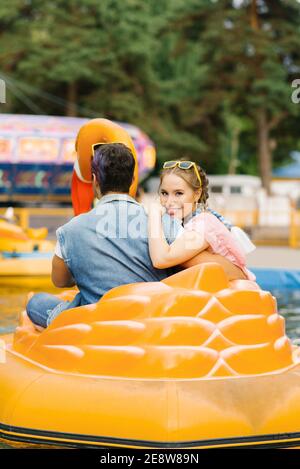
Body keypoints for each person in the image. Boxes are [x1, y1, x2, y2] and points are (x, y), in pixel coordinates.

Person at [26, 143, 181, 329]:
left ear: (95, 180)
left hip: (95, 322)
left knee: (36, 302)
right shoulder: (164, 222)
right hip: (152, 318)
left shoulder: (71, 230)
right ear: (132, 180)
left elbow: (60, 281)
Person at [148, 160, 257, 283]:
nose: (168, 202)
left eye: (178, 193)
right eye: (164, 193)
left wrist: (154, 214)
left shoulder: (204, 223)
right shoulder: (188, 221)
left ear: (197, 194)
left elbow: (161, 259)